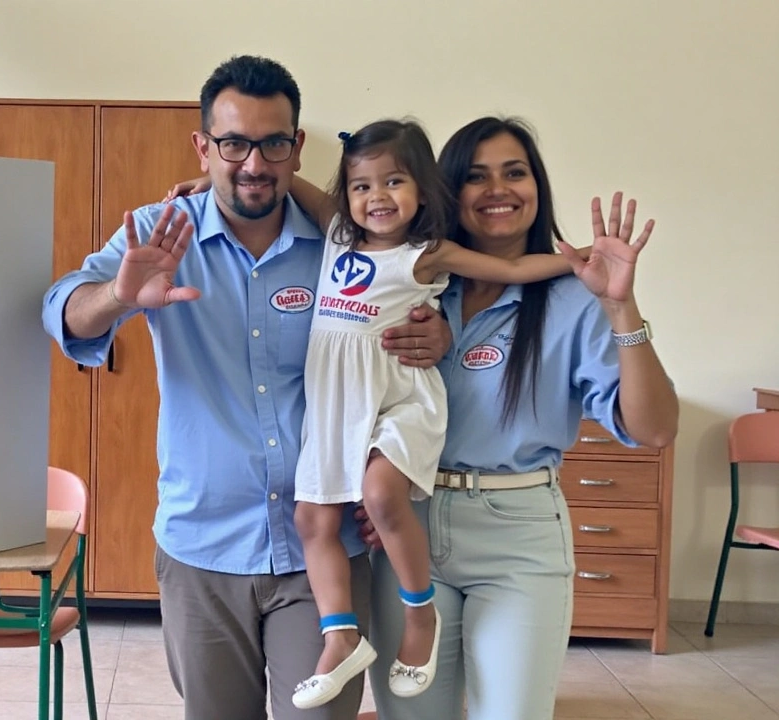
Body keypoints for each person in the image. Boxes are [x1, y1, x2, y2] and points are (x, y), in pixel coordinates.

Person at [40, 55, 452, 720]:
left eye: (273, 143)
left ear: (297, 148)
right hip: (203, 549)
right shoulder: (157, 234)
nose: (254, 164)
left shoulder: (346, 247)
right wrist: (117, 296)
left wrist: (439, 336)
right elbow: (62, 311)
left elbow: (421, 314)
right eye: (233, 143)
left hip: (323, 548)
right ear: (203, 146)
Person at [163, 118, 588, 710]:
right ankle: (340, 637)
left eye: (394, 182)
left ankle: (420, 620)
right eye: (363, 186)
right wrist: (204, 181)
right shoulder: (336, 233)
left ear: (422, 191)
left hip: (398, 402)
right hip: (338, 409)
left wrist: (584, 263)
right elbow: (278, 184)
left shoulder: (426, 255)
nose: (377, 197)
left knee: (383, 497)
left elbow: (514, 270)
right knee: (312, 520)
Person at [361, 117, 678, 720]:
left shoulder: (575, 295)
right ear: (445, 191)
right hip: (412, 527)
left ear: (537, 186)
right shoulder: (418, 282)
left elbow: (654, 429)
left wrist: (621, 307)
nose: (497, 189)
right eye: (475, 177)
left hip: (518, 535)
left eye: (515, 172)